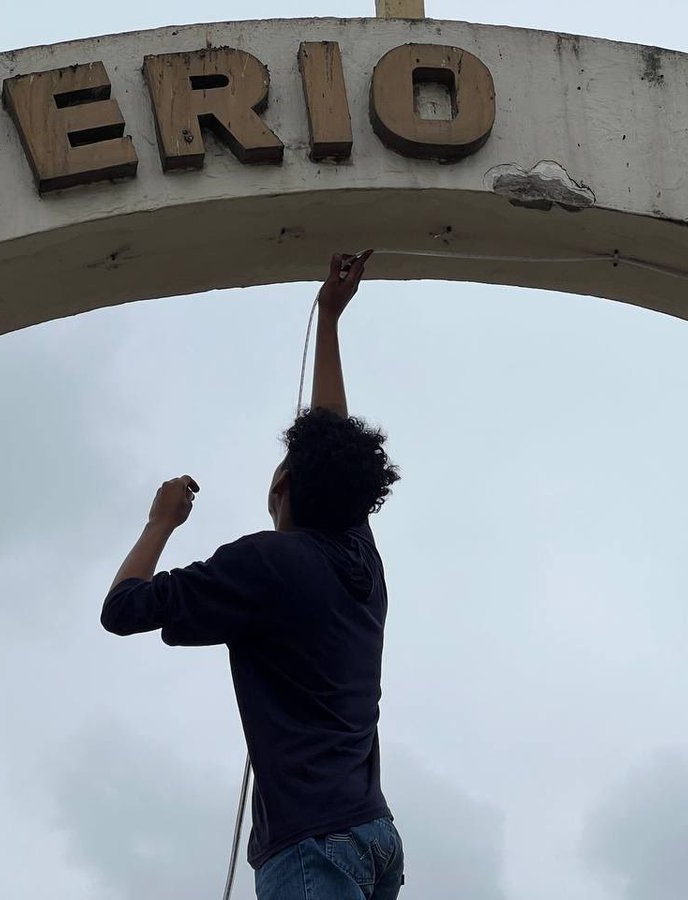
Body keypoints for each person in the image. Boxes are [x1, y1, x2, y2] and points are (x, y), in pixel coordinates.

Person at [100, 250, 405, 899]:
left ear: (285, 484)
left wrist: (160, 522)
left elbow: (123, 609)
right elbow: (330, 433)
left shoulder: (266, 562)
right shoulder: (360, 558)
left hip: (312, 848)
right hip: (373, 836)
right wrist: (330, 318)